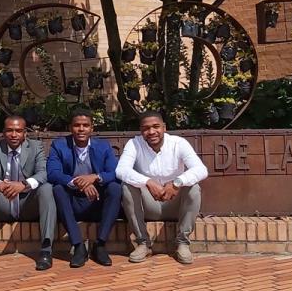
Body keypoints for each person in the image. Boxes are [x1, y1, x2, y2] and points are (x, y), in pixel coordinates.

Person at [116, 110, 207, 264]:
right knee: (127, 187)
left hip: (174, 204)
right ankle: (143, 243)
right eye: (146, 128)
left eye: (156, 126)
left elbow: (201, 170)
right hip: (149, 205)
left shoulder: (179, 143)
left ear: (164, 127)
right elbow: (121, 170)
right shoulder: (134, 144)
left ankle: (182, 243)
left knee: (193, 188)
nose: (151, 132)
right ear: (141, 130)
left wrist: (177, 182)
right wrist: (148, 182)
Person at [0, 115, 56, 271]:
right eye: (9, 130)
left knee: (46, 188)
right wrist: (0, 184)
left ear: (25, 133)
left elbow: (43, 173)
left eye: (18, 131)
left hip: (27, 204)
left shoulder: (36, 147)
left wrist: (23, 185)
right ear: (3, 132)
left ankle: (46, 249)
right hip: (3, 203)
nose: (14, 134)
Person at [47, 108, 122, 268]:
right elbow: (53, 174)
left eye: (85, 125)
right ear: (70, 128)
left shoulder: (103, 146)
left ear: (92, 128)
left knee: (115, 188)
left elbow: (115, 173)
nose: (81, 129)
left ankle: (100, 245)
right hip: (72, 201)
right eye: (77, 125)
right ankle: (78, 245)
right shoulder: (59, 146)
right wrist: (79, 182)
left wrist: (94, 177)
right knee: (58, 189)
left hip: (97, 201)